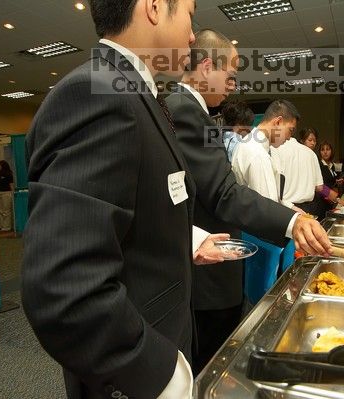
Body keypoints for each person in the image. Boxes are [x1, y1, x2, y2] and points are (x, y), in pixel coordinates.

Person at [21, 1, 229, 397]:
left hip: (162, 334)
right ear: (153, 7)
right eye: (189, 13)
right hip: (136, 373)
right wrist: (159, 374)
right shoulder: (97, 91)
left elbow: (136, 199)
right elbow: (65, 288)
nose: (191, 34)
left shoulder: (136, 92)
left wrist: (189, 238)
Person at [165, 29, 332, 375]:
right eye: (230, 75)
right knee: (211, 366)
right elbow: (224, 193)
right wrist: (291, 221)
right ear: (208, 67)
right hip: (207, 272)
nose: (233, 85)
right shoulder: (183, 108)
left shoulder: (193, 112)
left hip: (213, 261)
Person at [231, 100, 300, 207]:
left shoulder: (252, 144)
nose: (289, 137)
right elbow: (268, 208)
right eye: (290, 130)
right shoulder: (257, 153)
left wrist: (291, 207)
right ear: (278, 122)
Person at [272, 137, 344, 218]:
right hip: (293, 205)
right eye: (310, 140)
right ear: (302, 141)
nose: (312, 143)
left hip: (306, 205)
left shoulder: (329, 164)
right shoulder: (312, 157)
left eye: (314, 141)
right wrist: (336, 198)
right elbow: (320, 187)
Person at [0, 160, 14, 233]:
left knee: (6, 210)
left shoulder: (8, 174)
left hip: (6, 193)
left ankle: (7, 226)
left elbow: (11, 184)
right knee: (1, 210)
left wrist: (12, 193)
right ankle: (2, 225)